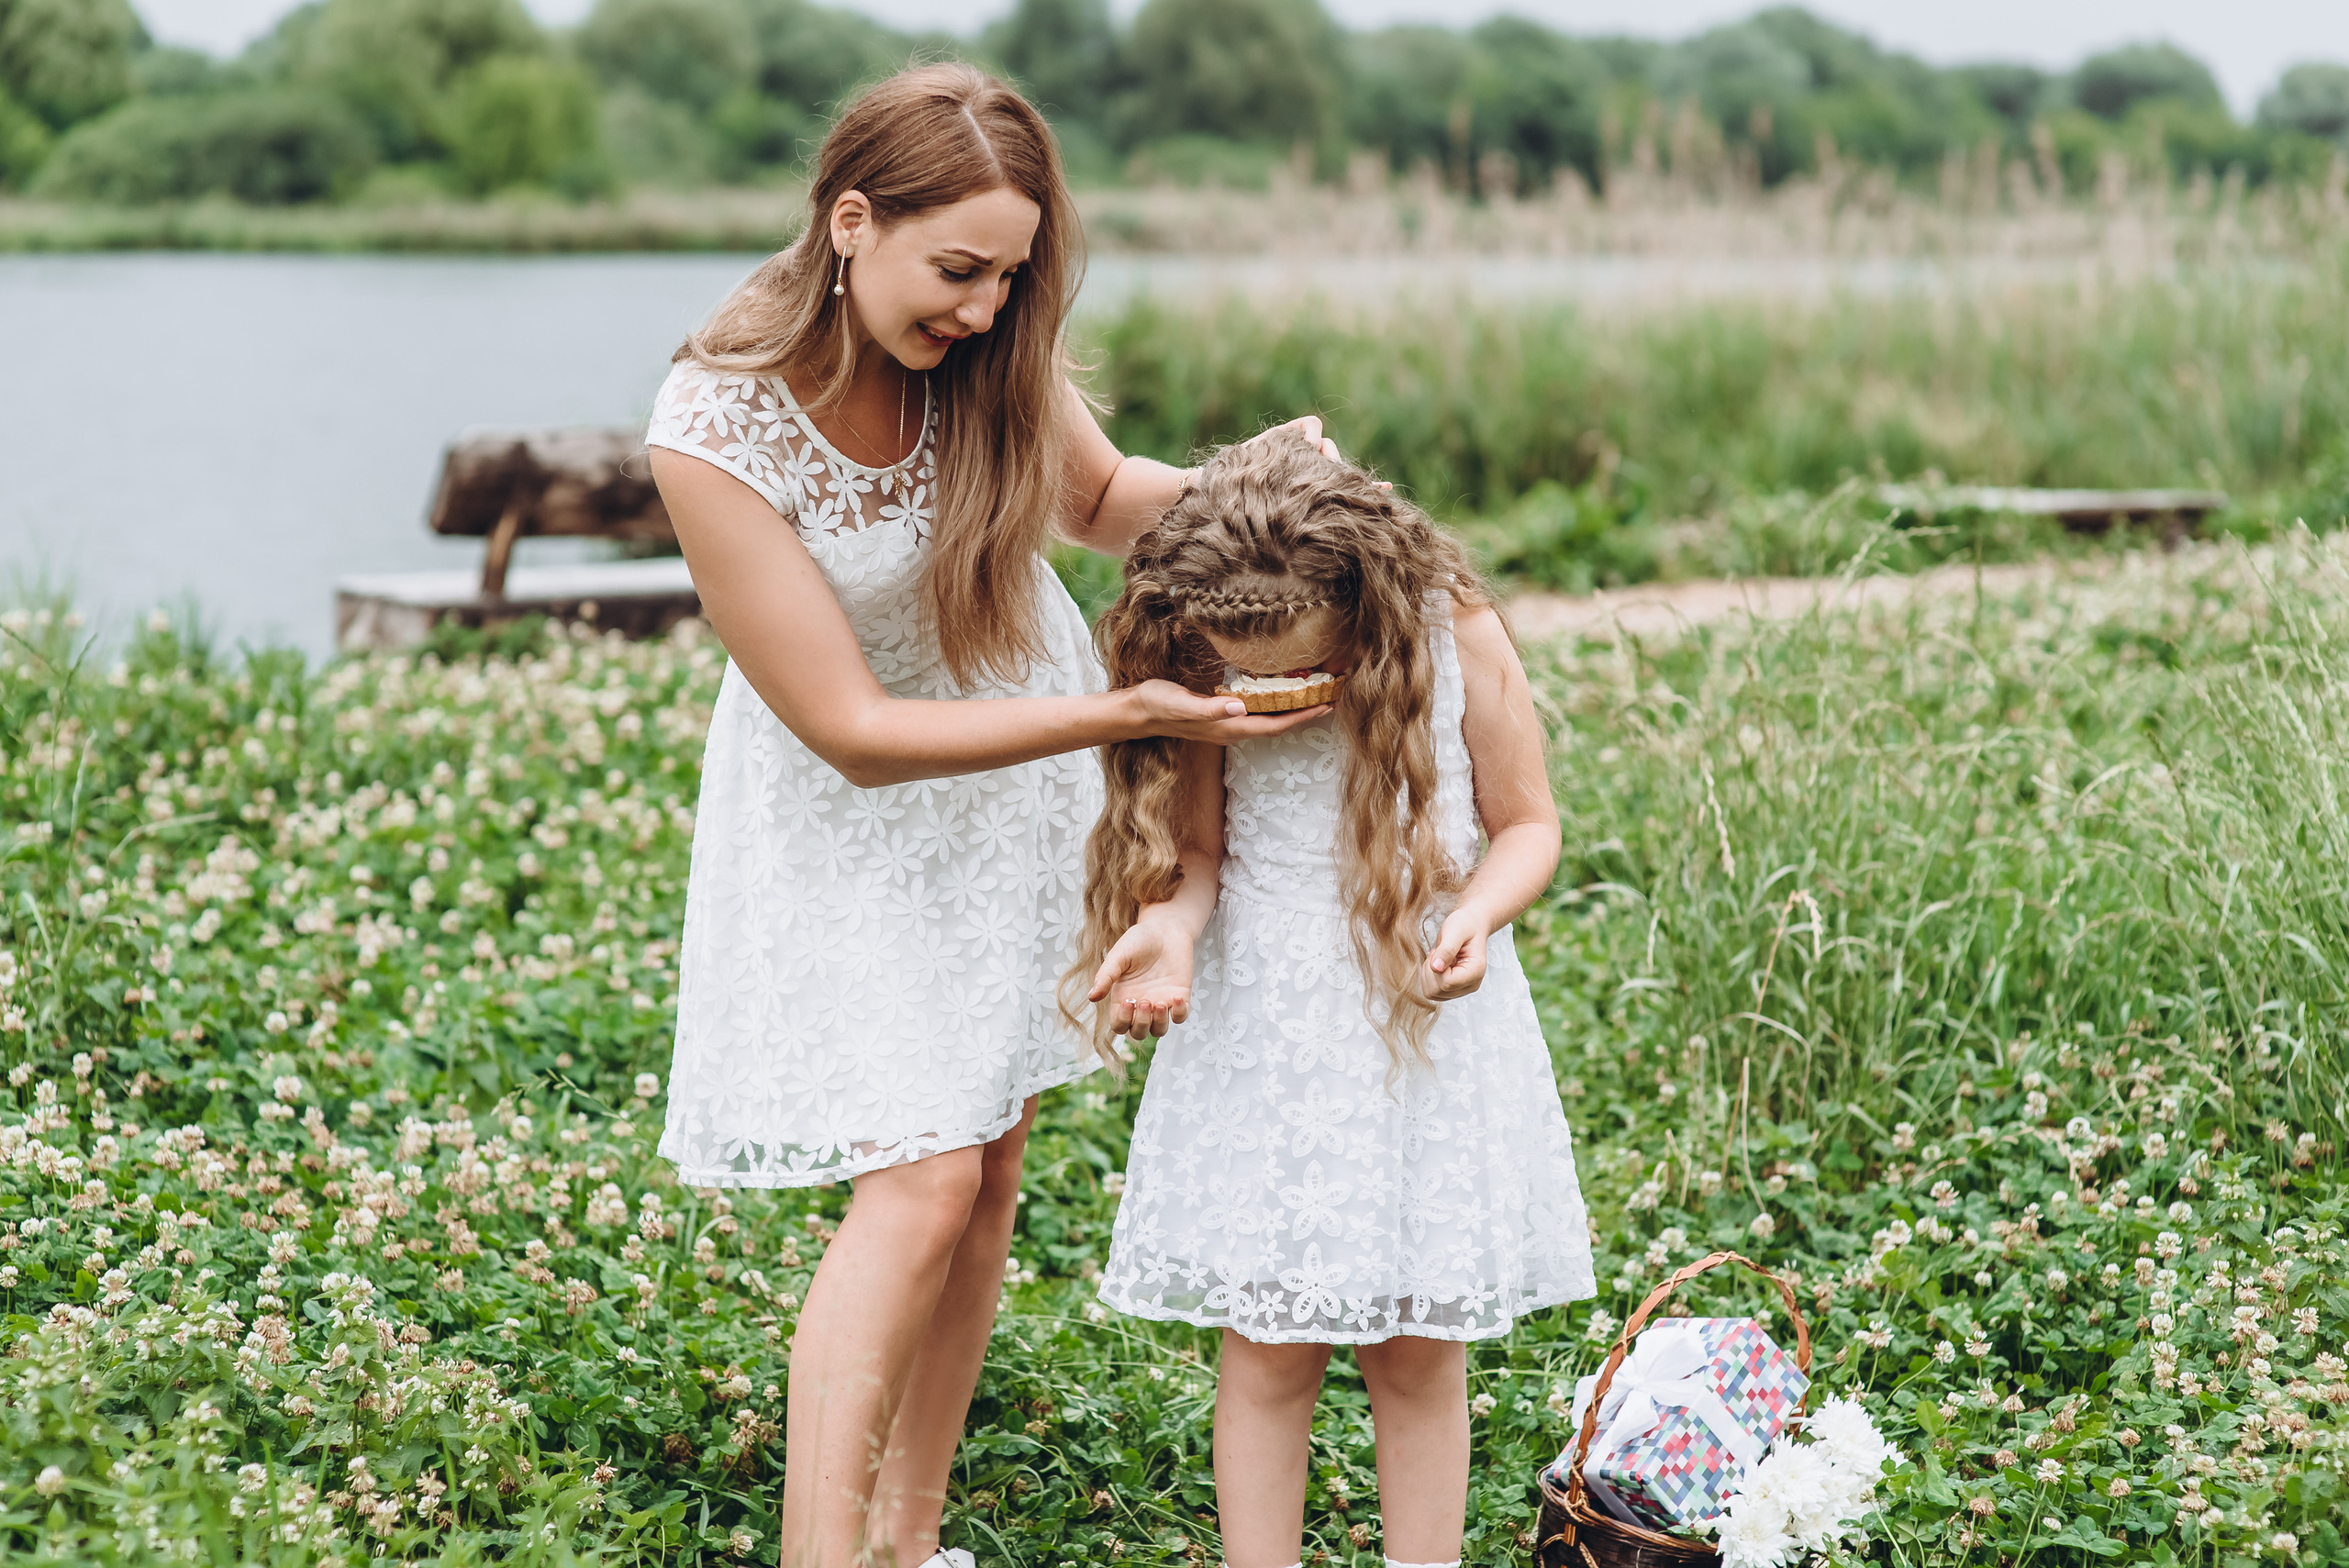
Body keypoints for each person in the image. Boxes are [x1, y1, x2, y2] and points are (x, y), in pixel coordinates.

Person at [641, 63, 1340, 1568]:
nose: (982, 306)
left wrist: (1269, 498)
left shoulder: (988, 351)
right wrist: (1132, 716)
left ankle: (908, 1536)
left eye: (1010, 276)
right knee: (920, 1176)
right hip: (856, 804)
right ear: (851, 221)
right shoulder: (716, 420)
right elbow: (852, 731)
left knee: (989, 1156)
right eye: (957, 268)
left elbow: (1096, 500)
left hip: (1011, 784)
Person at [1074, 433, 1598, 1568]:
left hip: (1422, 1026)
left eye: (1302, 662)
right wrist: (1170, 928)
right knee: (1269, 1348)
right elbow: (1201, 855)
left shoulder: (1454, 633)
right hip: (1270, 1034)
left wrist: (1479, 911)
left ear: (1361, 597)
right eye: (1246, 670)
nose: (1273, 686)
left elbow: (1527, 823)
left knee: (1416, 1351)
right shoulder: (1206, 654)